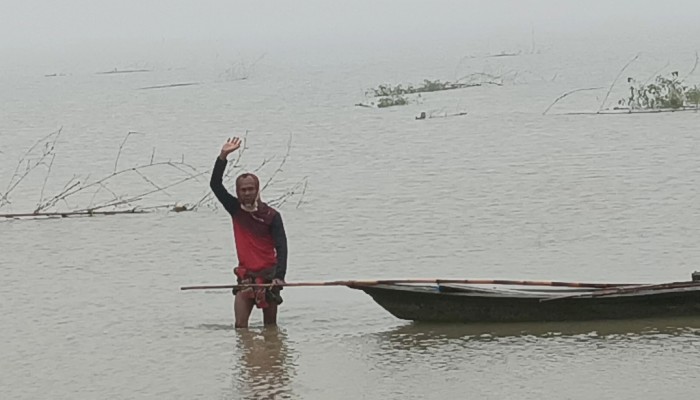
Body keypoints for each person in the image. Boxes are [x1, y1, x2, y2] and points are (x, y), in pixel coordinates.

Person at [210, 137, 288, 328]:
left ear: (257, 190)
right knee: (240, 327)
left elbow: (282, 247)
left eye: (250, 189)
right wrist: (223, 156)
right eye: (243, 190)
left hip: (269, 278)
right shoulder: (235, 210)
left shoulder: (271, 215)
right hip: (246, 277)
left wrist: (280, 277)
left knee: (270, 329)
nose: (247, 193)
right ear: (237, 192)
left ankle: (272, 356)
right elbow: (215, 185)